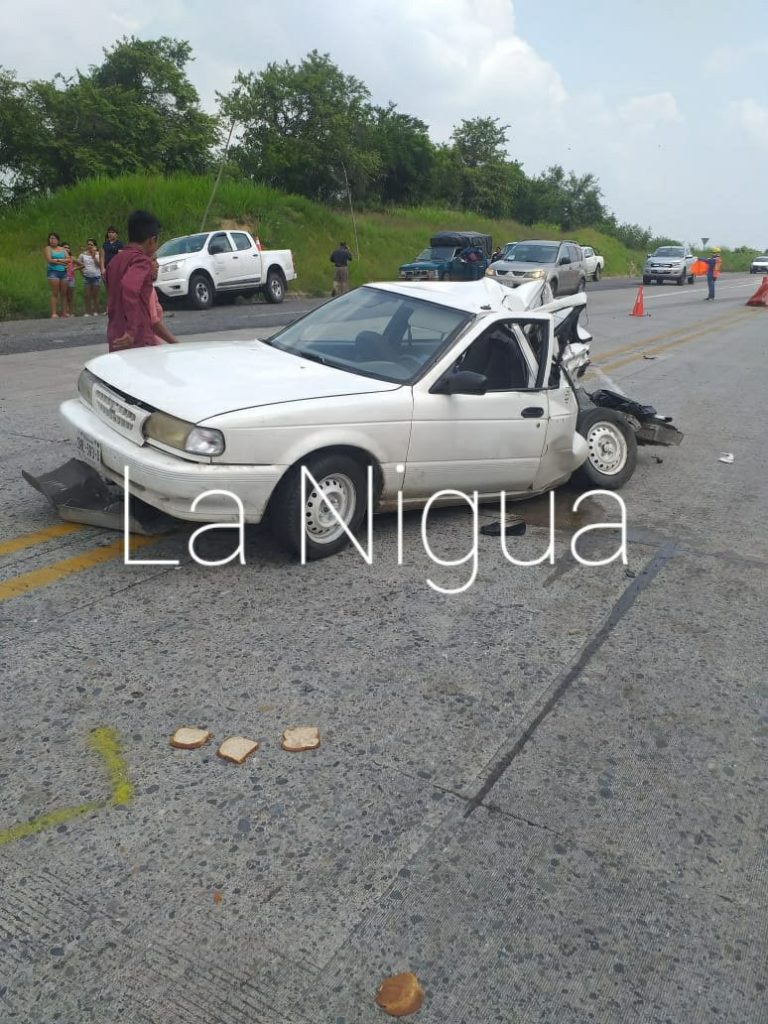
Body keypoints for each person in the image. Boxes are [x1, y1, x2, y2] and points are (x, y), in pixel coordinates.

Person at [105, 210, 164, 352]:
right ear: (152, 240)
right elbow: (129, 287)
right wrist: (131, 330)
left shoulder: (114, 262)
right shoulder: (142, 261)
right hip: (138, 340)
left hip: (116, 337)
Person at [147, 258, 178, 345]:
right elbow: (153, 322)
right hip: (149, 345)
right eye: (153, 260)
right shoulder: (146, 289)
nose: (158, 264)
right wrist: (176, 343)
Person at [44, 232, 69, 318]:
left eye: (54, 238)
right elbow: (50, 260)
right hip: (53, 272)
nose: (52, 240)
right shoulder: (48, 248)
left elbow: (68, 259)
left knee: (64, 293)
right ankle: (54, 313)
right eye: (50, 238)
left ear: (58, 240)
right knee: (55, 293)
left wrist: (57, 260)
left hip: (63, 272)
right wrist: (62, 261)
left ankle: (64, 312)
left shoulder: (63, 249)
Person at [79, 238, 103, 316]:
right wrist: (82, 272)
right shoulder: (83, 254)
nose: (89, 246)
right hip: (87, 277)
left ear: (95, 246)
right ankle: (87, 311)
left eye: (91, 245)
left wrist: (94, 257)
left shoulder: (98, 254)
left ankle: (96, 311)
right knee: (87, 295)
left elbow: (100, 265)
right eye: (88, 244)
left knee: (95, 295)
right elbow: (79, 264)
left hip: (96, 276)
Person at [61, 243, 82, 317]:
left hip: (70, 279)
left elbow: (82, 265)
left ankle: (71, 312)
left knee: (70, 297)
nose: (66, 249)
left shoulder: (72, 258)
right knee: (64, 296)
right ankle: (64, 312)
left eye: (68, 248)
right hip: (62, 278)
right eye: (64, 247)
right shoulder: (60, 258)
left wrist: (74, 268)